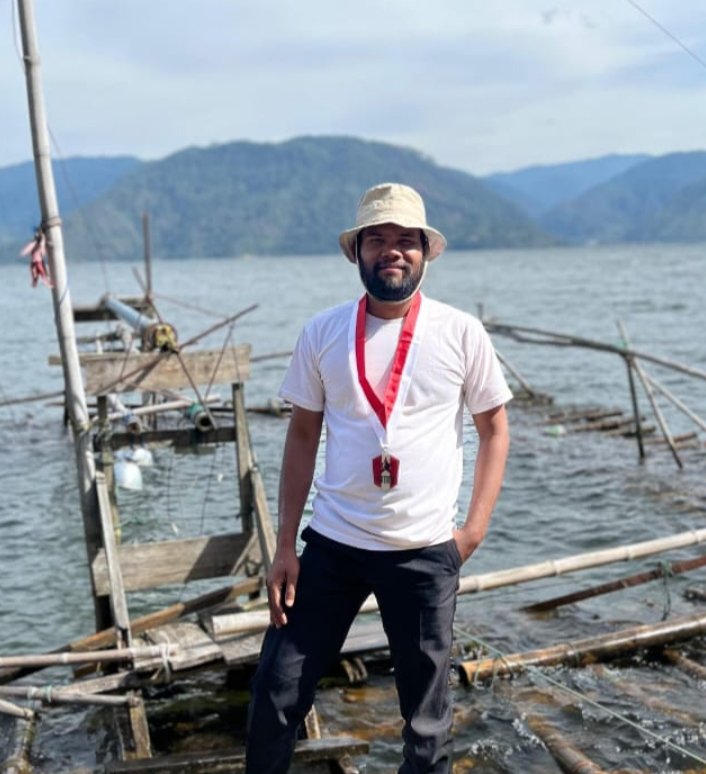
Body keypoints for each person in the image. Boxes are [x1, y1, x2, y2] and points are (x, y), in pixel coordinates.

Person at [246, 182, 511, 773]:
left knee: (426, 725)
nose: (392, 250)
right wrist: (285, 546)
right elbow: (302, 436)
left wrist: (472, 531)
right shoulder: (323, 332)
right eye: (377, 239)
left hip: (423, 551)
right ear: (357, 252)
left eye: (405, 240)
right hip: (333, 543)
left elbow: (495, 429)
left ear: (425, 252)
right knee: (275, 690)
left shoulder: (460, 332)